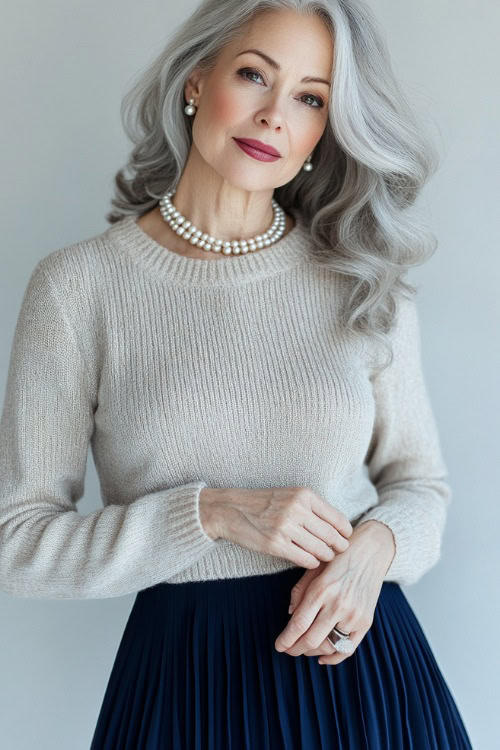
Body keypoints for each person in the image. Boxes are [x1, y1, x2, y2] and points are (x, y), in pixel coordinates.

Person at [0, 0, 473, 747]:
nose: (274, 116)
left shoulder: (359, 278)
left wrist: (373, 552)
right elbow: (16, 545)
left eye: (310, 97)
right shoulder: (78, 288)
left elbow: (422, 486)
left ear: (326, 127)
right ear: (196, 80)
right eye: (255, 75)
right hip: (188, 687)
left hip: (365, 682)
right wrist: (210, 513)